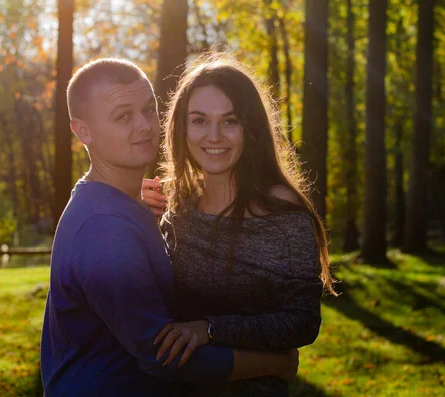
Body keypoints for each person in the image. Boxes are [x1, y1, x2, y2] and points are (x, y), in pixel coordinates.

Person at [40, 57, 300, 397]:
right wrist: (274, 364)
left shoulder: (120, 204)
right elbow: (162, 356)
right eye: (123, 116)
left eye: (149, 109)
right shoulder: (105, 228)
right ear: (82, 130)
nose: (145, 126)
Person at [142, 53, 337, 396]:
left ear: (250, 128)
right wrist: (134, 214)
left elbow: (303, 323)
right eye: (199, 120)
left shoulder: (280, 212)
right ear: (181, 127)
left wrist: (211, 329)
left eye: (229, 121)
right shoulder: (176, 203)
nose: (214, 136)